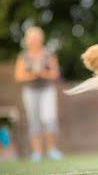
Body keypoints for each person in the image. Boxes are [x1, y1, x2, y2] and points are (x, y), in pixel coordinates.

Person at [14, 26, 63, 162]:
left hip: (47, 90)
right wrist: (33, 74)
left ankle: (52, 150)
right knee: (34, 122)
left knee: (50, 119)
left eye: (37, 38)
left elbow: (55, 73)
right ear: (28, 40)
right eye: (32, 39)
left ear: (42, 39)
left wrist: (42, 73)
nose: (35, 41)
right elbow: (19, 76)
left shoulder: (48, 54)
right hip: (30, 92)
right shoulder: (23, 56)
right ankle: (37, 153)